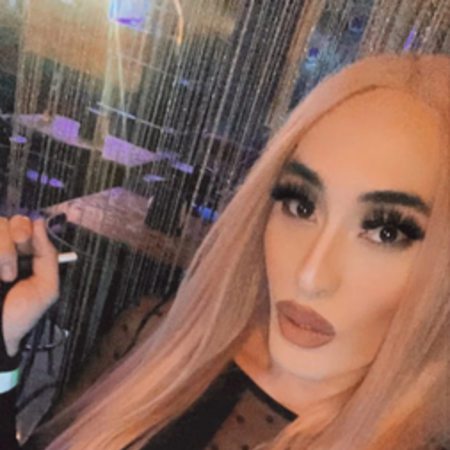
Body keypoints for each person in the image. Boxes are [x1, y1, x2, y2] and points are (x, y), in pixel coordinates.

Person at [0, 53, 449, 450]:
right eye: (301, 205)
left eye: (387, 232)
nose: (310, 275)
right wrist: (5, 342)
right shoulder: (162, 338)